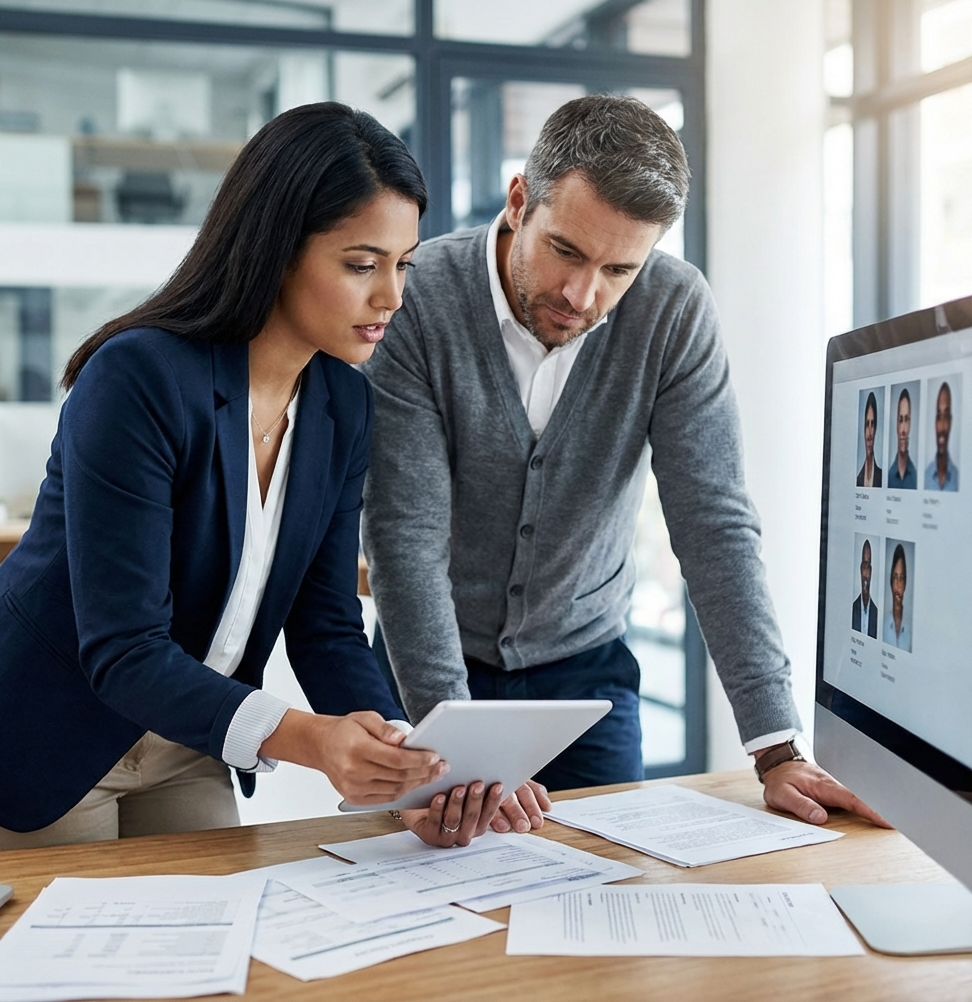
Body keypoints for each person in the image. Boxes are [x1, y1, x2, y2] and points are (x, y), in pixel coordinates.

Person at [0, 103, 502, 856]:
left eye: (403, 264)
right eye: (361, 265)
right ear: (277, 250)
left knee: (220, 928)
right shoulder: (138, 378)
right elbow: (123, 648)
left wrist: (409, 769)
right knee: (82, 938)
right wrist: (314, 740)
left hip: (189, 733)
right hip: (45, 733)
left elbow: (327, 624)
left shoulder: (342, 403)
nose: (392, 297)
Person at [361, 94, 887, 835]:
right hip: (426, 669)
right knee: (422, 881)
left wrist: (776, 749)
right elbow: (404, 536)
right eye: (566, 251)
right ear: (519, 201)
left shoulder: (673, 310)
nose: (583, 295)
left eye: (619, 269)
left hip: (585, 675)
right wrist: (459, 747)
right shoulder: (419, 299)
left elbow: (714, 525)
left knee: (609, 885)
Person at [925, 381, 959, 491]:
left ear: (951, 421)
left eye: (946, 416)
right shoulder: (924, 477)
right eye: (939, 416)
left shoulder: (959, 479)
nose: (942, 427)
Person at [882, 544, 912, 652]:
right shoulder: (883, 625)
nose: (898, 584)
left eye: (901, 578)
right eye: (895, 577)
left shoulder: (911, 629)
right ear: (891, 583)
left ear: (905, 584)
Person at [887, 388, 917, 490]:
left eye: (906, 420)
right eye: (900, 420)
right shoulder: (888, 477)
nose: (903, 430)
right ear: (896, 425)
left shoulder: (916, 478)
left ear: (910, 424)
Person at [851, 540, 878, 638]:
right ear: (860, 569)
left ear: (871, 571)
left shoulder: (876, 613)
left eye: (868, 566)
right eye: (864, 566)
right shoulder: (852, 608)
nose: (866, 572)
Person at [857, 392, 882, 488]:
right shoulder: (857, 479)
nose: (870, 432)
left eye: (872, 424)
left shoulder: (882, 477)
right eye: (867, 424)